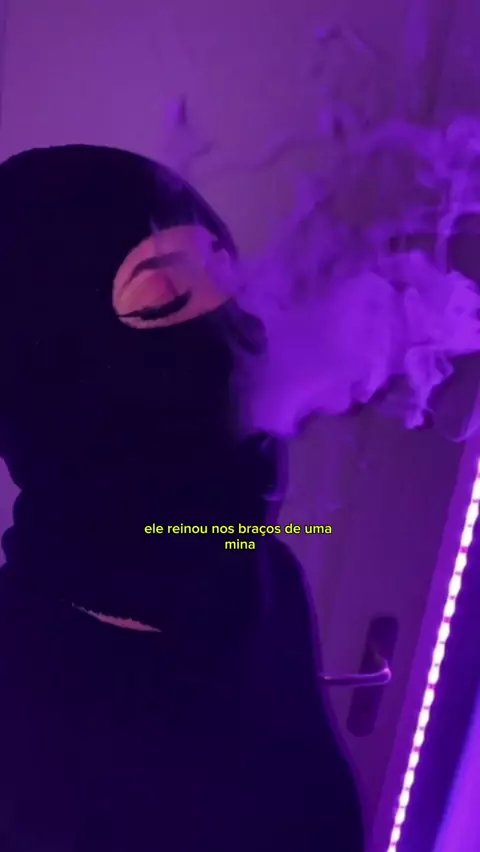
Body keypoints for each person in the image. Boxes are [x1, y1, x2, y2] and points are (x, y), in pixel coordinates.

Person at [0, 145, 364, 851]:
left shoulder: (266, 575)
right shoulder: (17, 734)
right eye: (167, 299)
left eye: (228, 279)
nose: (244, 337)